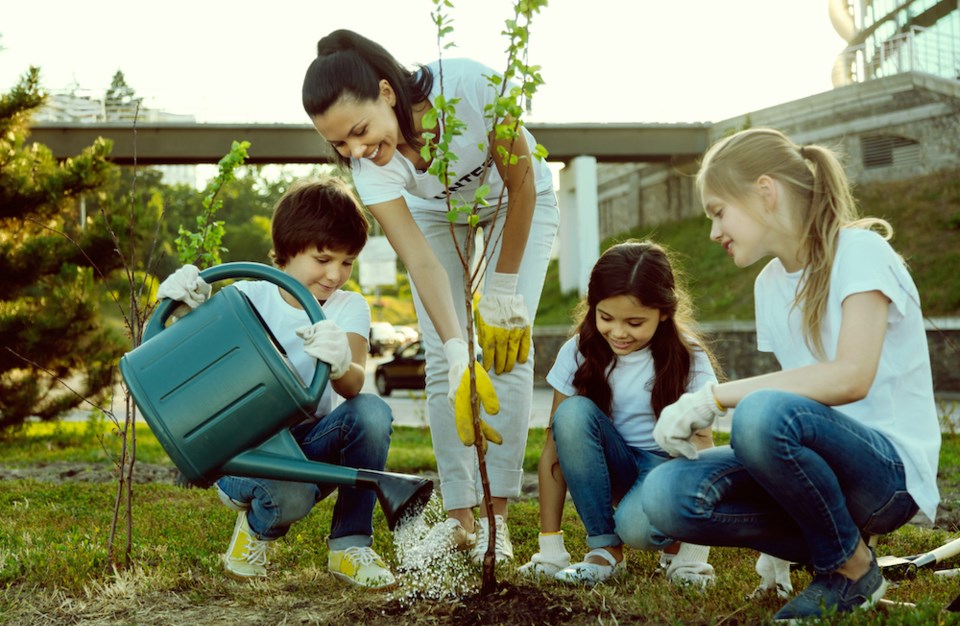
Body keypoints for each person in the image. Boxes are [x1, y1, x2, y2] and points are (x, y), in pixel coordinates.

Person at [635, 128, 941, 623]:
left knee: (757, 412)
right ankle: (835, 550)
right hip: (823, 467)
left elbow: (850, 378)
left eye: (718, 211)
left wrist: (712, 398)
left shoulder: (860, 251)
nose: (714, 231)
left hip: (887, 476)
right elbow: (796, 398)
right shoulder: (769, 285)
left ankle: (849, 570)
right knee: (665, 495)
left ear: (765, 191)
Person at [301, 29, 559, 563]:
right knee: (446, 358)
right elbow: (420, 261)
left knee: (509, 347)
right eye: (339, 145)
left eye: (359, 131)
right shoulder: (369, 166)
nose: (356, 151)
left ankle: (496, 521)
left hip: (517, 203)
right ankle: (462, 519)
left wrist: (503, 292)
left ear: (387, 94)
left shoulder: (472, 86)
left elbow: (523, 187)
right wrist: (460, 347)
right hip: (435, 217)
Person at [157, 176, 397, 589]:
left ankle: (350, 546)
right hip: (245, 450)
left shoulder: (347, 307)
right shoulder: (248, 296)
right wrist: (181, 309)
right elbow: (184, 365)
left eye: (346, 262)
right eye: (323, 259)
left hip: (307, 446)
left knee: (372, 412)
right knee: (290, 495)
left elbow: (354, 384)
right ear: (287, 251)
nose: (335, 274)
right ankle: (255, 528)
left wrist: (340, 363)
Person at [519, 240, 721, 586]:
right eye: (606, 317)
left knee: (635, 527)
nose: (618, 332)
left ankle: (674, 543)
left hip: (668, 474)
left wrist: (694, 558)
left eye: (634, 322)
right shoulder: (578, 352)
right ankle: (604, 550)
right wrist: (549, 549)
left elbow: (703, 451)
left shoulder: (690, 358)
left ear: (664, 312)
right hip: (615, 467)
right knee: (570, 415)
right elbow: (554, 448)